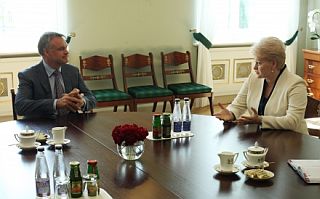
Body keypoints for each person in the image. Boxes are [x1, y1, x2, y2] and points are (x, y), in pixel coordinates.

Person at [214, 36, 308, 134]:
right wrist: (231, 113)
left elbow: (293, 121)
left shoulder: (296, 84)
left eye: (259, 63)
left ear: (273, 64)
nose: (254, 67)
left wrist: (261, 120)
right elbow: (238, 105)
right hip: (264, 139)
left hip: (293, 141)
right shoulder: (253, 78)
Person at [15, 32, 96, 119]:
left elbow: (91, 98)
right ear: (46, 52)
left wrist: (82, 102)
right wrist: (56, 103)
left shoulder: (73, 71)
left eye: (66, 48)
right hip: (42, 126)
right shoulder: (28, 75)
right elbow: (20, 106)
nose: (66, 52)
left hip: (71, 125)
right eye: (61, 49)